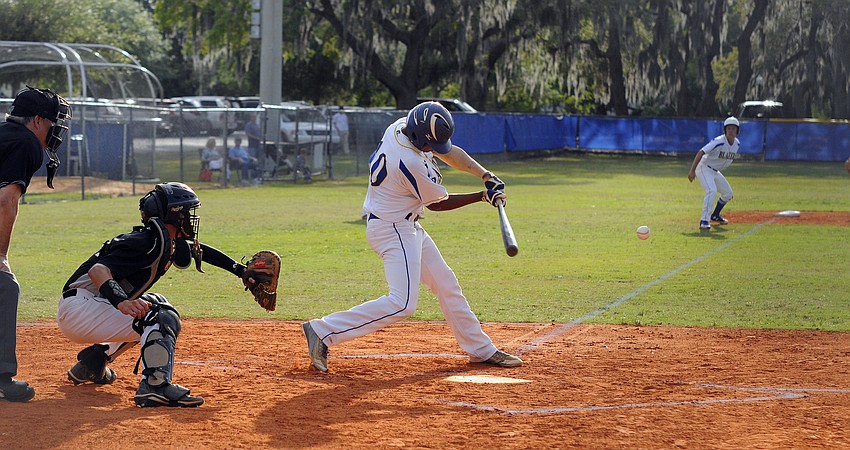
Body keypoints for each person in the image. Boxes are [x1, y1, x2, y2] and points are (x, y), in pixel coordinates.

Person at [301, 101, 522, 372]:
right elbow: (437, 204)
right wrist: (481, 196)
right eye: (431, 145)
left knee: (446, 284)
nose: (434, 151)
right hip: (392, 229)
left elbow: (449, 153)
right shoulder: (410, 162)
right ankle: (322, 330)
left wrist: (485, 175)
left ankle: (481, 350)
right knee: (403, 303)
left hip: (402, 223)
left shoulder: (399, 128)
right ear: (420, 137)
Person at [57, 182, 253, 408]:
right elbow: (98, 270)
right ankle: (155, 385)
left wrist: (240, 270)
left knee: (154, 304)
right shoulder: (145, 242)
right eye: (187, 212)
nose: (191, 218)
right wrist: (120, 301)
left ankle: (93, 362)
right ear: (174, 215)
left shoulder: (160, 241)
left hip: (85, 306)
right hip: (79, 309)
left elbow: (199, 250)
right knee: (161, 316)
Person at [0, 86, 71, 402]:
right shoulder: (27, 143)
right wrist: (0, 254)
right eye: (55, 122)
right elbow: (5, 201)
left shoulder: (5, 134)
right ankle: (2, 379)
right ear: (38, 120)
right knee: (5, 287)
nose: (57, 130)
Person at [688, 116, 741, 230]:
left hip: (714, 171)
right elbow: (701, 152)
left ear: (737, 131)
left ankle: (715, 215)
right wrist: (692, 171)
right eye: (729, 128)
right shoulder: (719, 142)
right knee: (711, 191)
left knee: (728, 193)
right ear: (725, 130)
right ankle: (704, 221)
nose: (731, 131)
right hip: (704, 167)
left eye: (733, 128)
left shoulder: (737, 144)